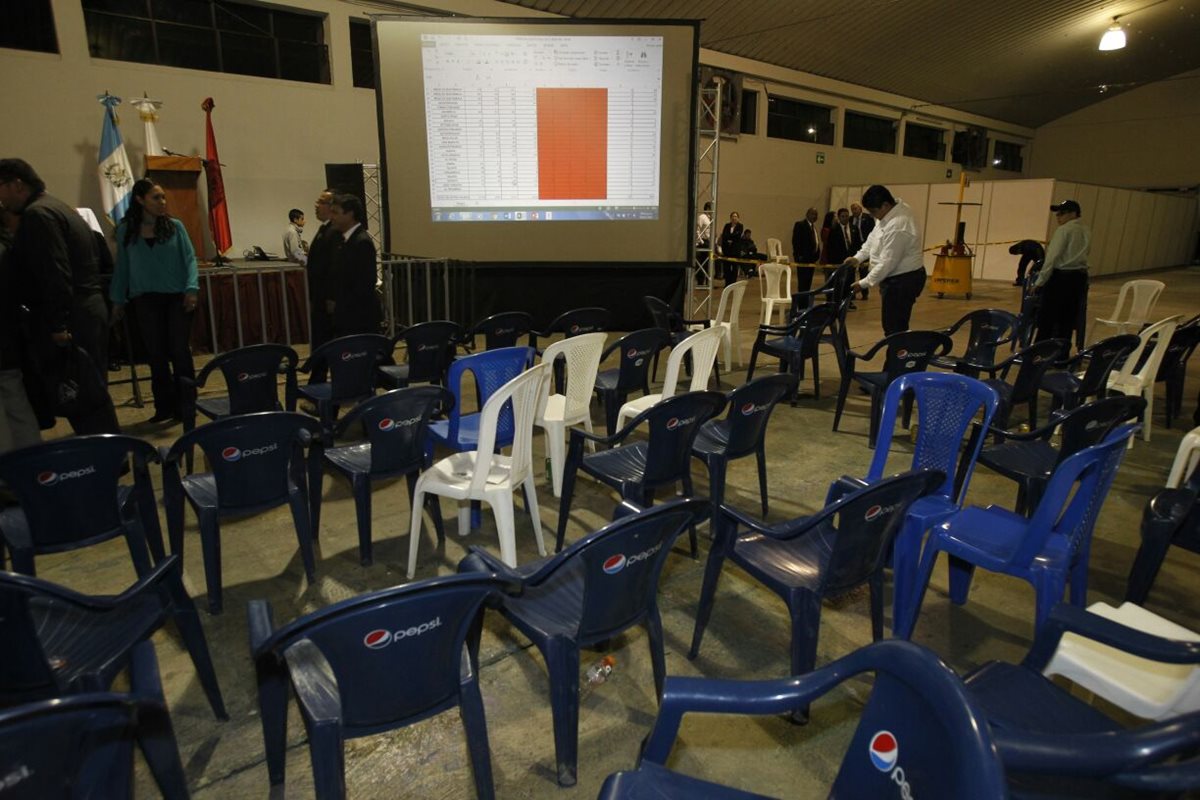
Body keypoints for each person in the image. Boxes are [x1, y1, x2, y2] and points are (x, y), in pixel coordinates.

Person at [0, 157, 118, 435]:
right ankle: (112, 454)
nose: (1, 199)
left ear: (17, 185)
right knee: (93, 389)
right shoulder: (58, 206)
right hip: (88, 308)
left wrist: (58, 325)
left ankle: (104, 458)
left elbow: (55, 273)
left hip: (73, 316)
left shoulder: (39, 215)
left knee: (80, 393)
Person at [110, 179, 199, 424]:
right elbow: (122, 270)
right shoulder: (126, 230)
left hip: (176, 298)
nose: (162, 202)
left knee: (179, 352)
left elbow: (190, 259)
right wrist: (117, 300)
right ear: (140, 200)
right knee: (156, 356)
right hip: (145, 300)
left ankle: (187, 405)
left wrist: (192, 288)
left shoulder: (175, 227)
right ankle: (164, 406)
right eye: (156, 197)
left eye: (163, 197)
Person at [844, 185, 926, 336]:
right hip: (894, 278)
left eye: (875, 212)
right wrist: (858, 257)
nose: (874, 216)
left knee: (894, 327)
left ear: (885, 205)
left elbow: (887, 262)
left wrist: (863, 283)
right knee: (892, 325)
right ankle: (898, 354)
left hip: (903, 280)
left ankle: (899, 356)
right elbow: (874, 238)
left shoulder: (899, 225)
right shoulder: (888, 213)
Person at [0, 207, 41, 453]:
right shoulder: (8, 246)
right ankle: (32, 460)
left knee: (9, 404)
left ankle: (8, 472)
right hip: (11, 334)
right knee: (15, 400)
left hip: (4, 334)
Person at [1033, 200, 1090, 346]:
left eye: (1062, 213)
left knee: (1048, 318)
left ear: (1073, 214)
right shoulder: (1085, 230)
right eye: (1057, 214)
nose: (1058, 217)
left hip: (1061, 278)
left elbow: (1052, 258)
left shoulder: (1064, 230)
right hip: (1079, 277)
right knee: (1068, 319)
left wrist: (1039, 282)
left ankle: (1040, 352)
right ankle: (1062, 354)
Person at [327, 194, 382, 337]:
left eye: (335, 213)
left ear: (350, 214)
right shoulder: (344, 240)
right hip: (348, 314)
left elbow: (365, 283)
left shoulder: (361, 242)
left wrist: (341, 305)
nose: (331, 217)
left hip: (358, 317)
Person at [306, 189, 336, 380]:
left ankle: (318, 382)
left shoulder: (332, 232)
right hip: (319, 297)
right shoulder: (324, 229)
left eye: (321, 202)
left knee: (326, 343)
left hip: (326, 300)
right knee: (320, 342)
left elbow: (331, 269)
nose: (317, 205)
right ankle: (316, 381)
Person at [849, 202, 875, 300]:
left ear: (860, 209)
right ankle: (852, 293)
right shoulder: (851, 219)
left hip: (866, 245)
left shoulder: (868, 218)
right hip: (855, 247)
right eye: (852, 209)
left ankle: (865, 293)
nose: (854, 211)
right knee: (851, 271)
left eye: (855, 209)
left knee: (863, 271)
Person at [791, 207, 821, 293]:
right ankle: (801, 304)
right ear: (807, 214)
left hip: (812, 260)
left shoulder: (813, 227)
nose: (814, 216)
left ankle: (805, 301)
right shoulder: (800, 225)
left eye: (816, 215)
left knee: (808, 283)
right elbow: (796, 242)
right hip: (803, 260)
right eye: (812, 214)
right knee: (803, 283)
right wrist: (799, 256)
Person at [718, 211, 744, 284]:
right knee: (726, 267)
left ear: (738, 218)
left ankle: (733, 282)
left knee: (734, 267)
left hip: (735, 250)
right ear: (730, 218)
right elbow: (724, 235)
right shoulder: (727, 225)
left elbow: (737, 236)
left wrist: (730, 238)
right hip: (727, 250)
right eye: (733, 216)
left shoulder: (740, 226)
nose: (734, 218)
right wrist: (729, 239)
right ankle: (727, 282)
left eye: (736, 216)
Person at [695, 201, 712, 285]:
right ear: (708, 208)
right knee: (701, 262)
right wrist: (700, 241)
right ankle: (700, 281)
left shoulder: (710, 218)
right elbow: (697, 229)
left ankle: (708, 281)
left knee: (709, 262)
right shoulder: (702, 217)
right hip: (703, 241)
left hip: (709, 241)